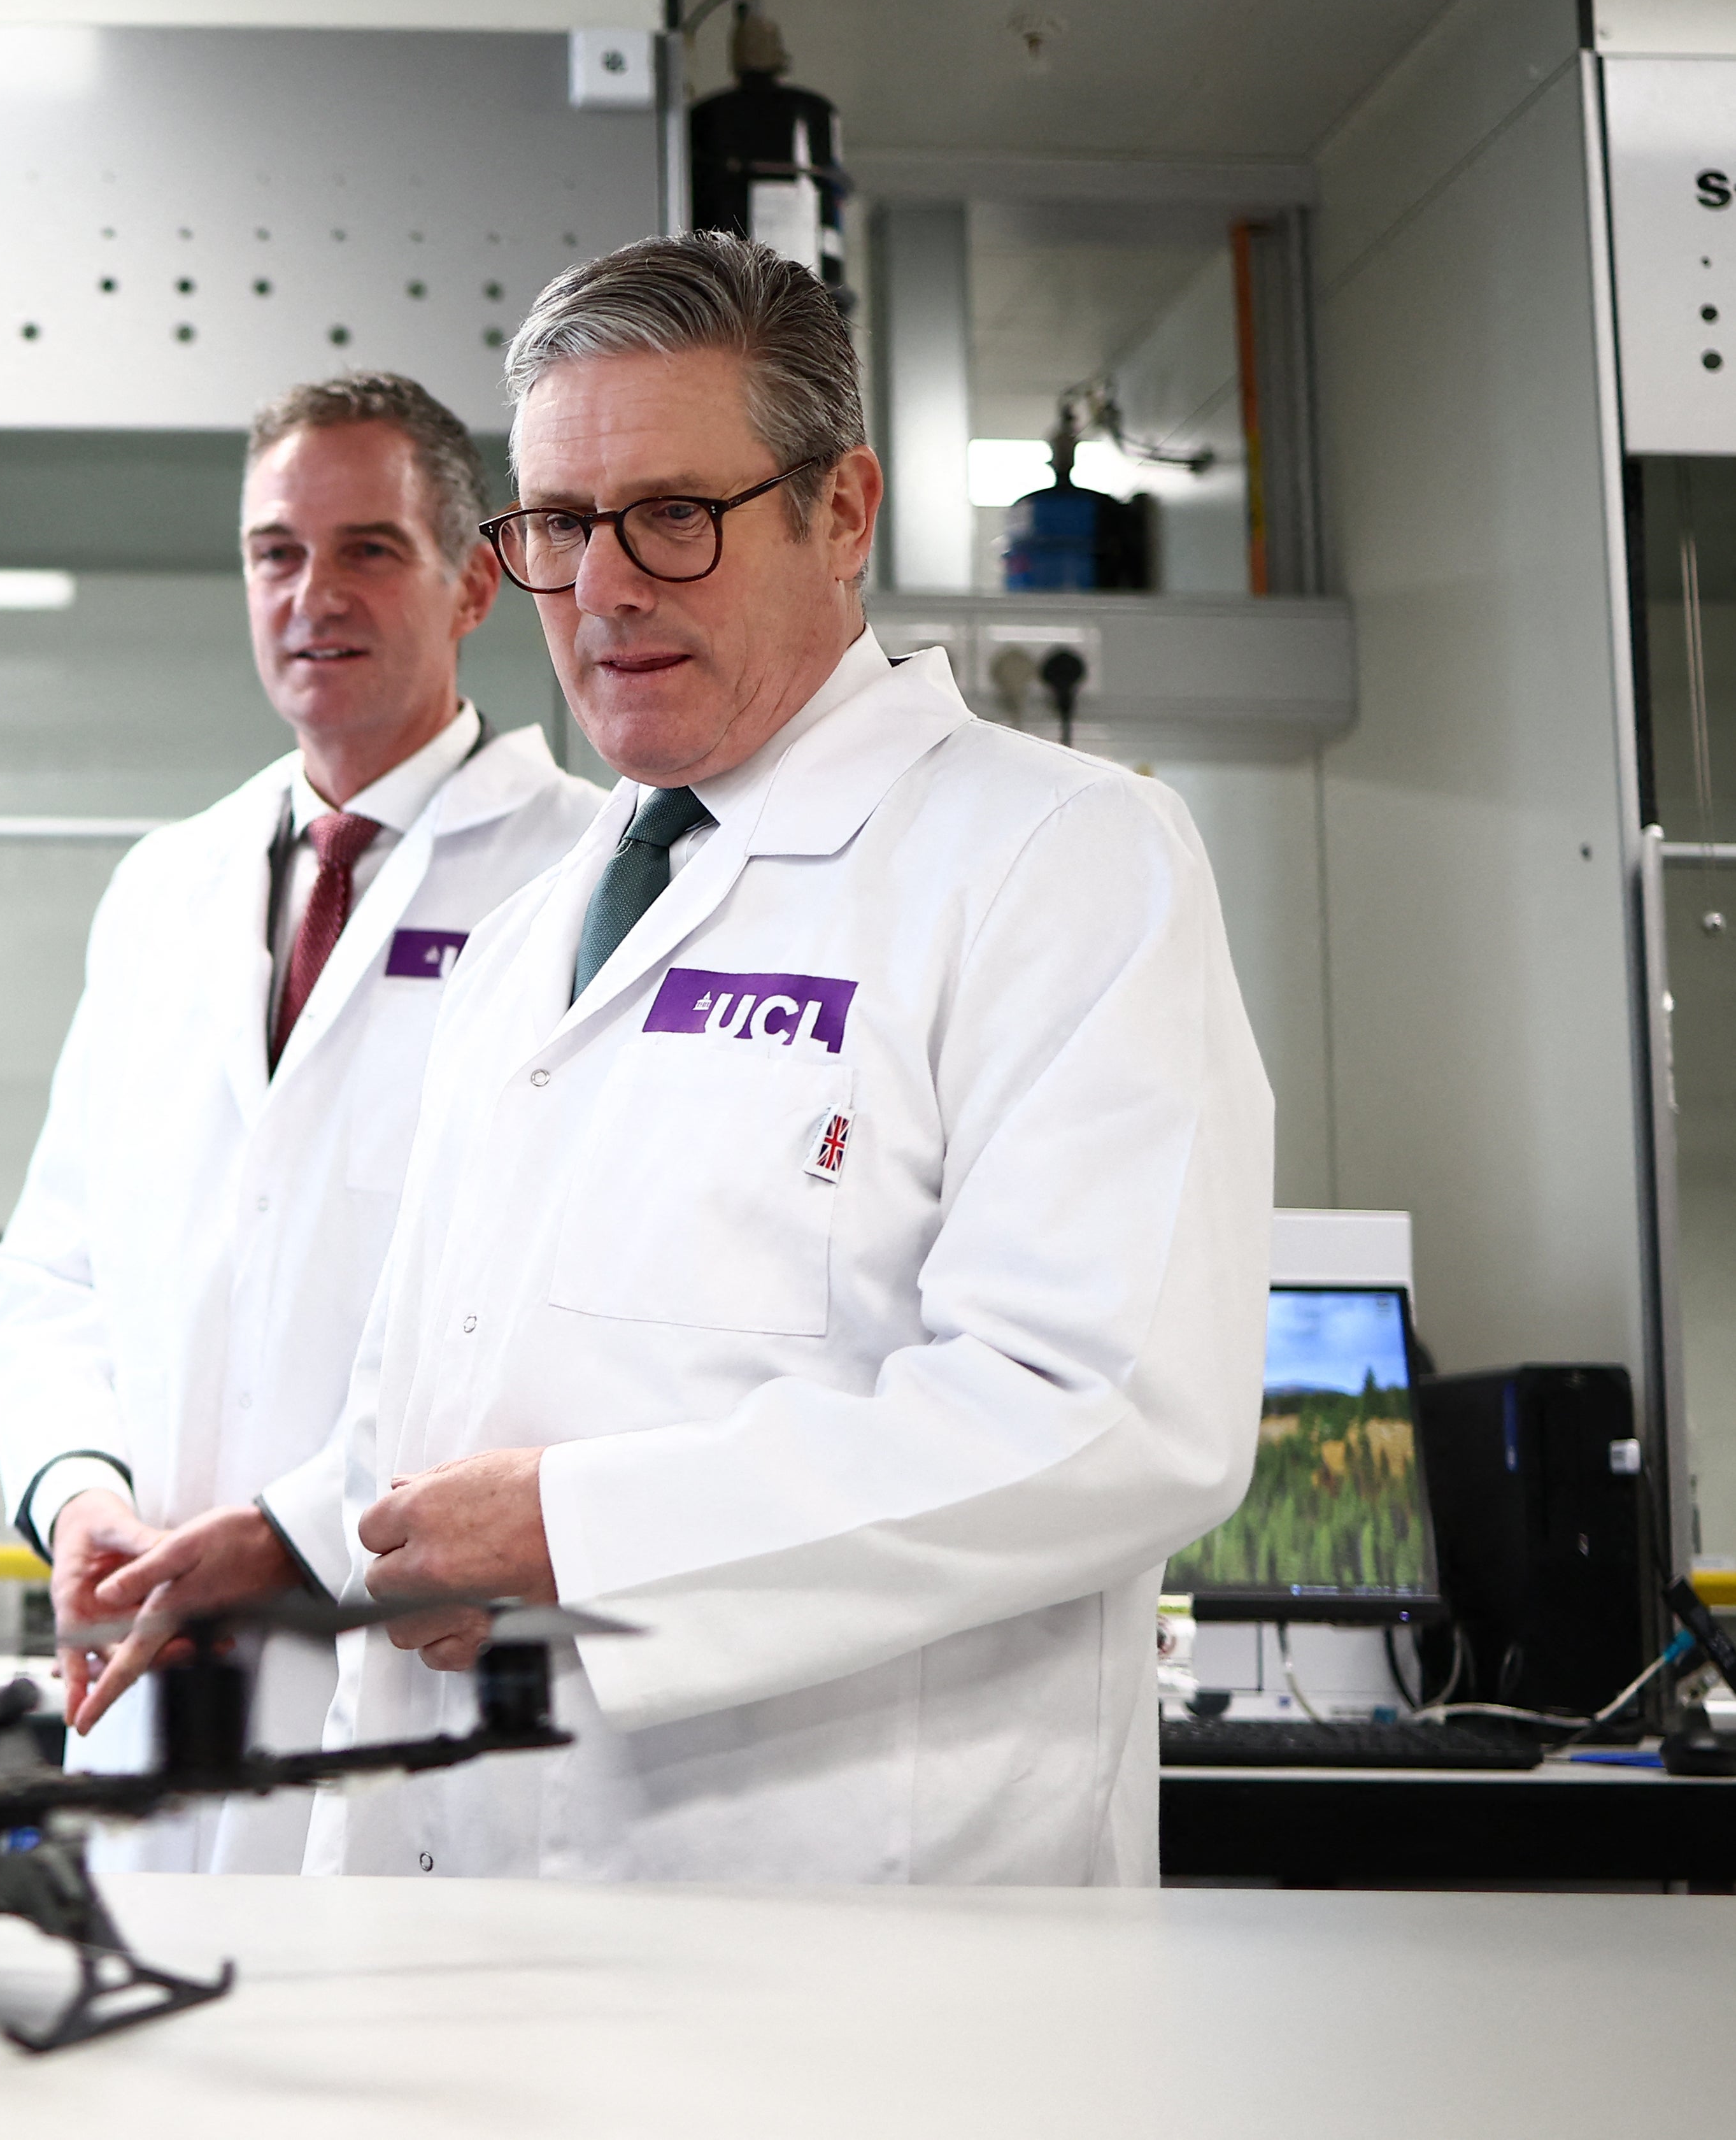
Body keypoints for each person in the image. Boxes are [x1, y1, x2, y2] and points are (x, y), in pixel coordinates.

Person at [87, 234, 1269, 1884]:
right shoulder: (536, 923)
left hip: (847, 1925)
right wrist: (286, 1536)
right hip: (471, 1886)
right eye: (559, 525)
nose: (604, 585)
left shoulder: (1055, 858)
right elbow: (441, 1382)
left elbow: (1108, 1410)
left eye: (670, 515)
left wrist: (578, 1532)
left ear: (839, 512)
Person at [0, 372, 605, 1871]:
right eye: (276, 551)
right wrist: (78, 1496)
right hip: (143, 1653)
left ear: (471, 583)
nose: (312, 594)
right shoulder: (165, 886)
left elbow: (569, 1321)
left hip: (397, 1660)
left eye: (368, 548)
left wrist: (290, 1527)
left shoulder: (583, 877)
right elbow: (58, 1263)